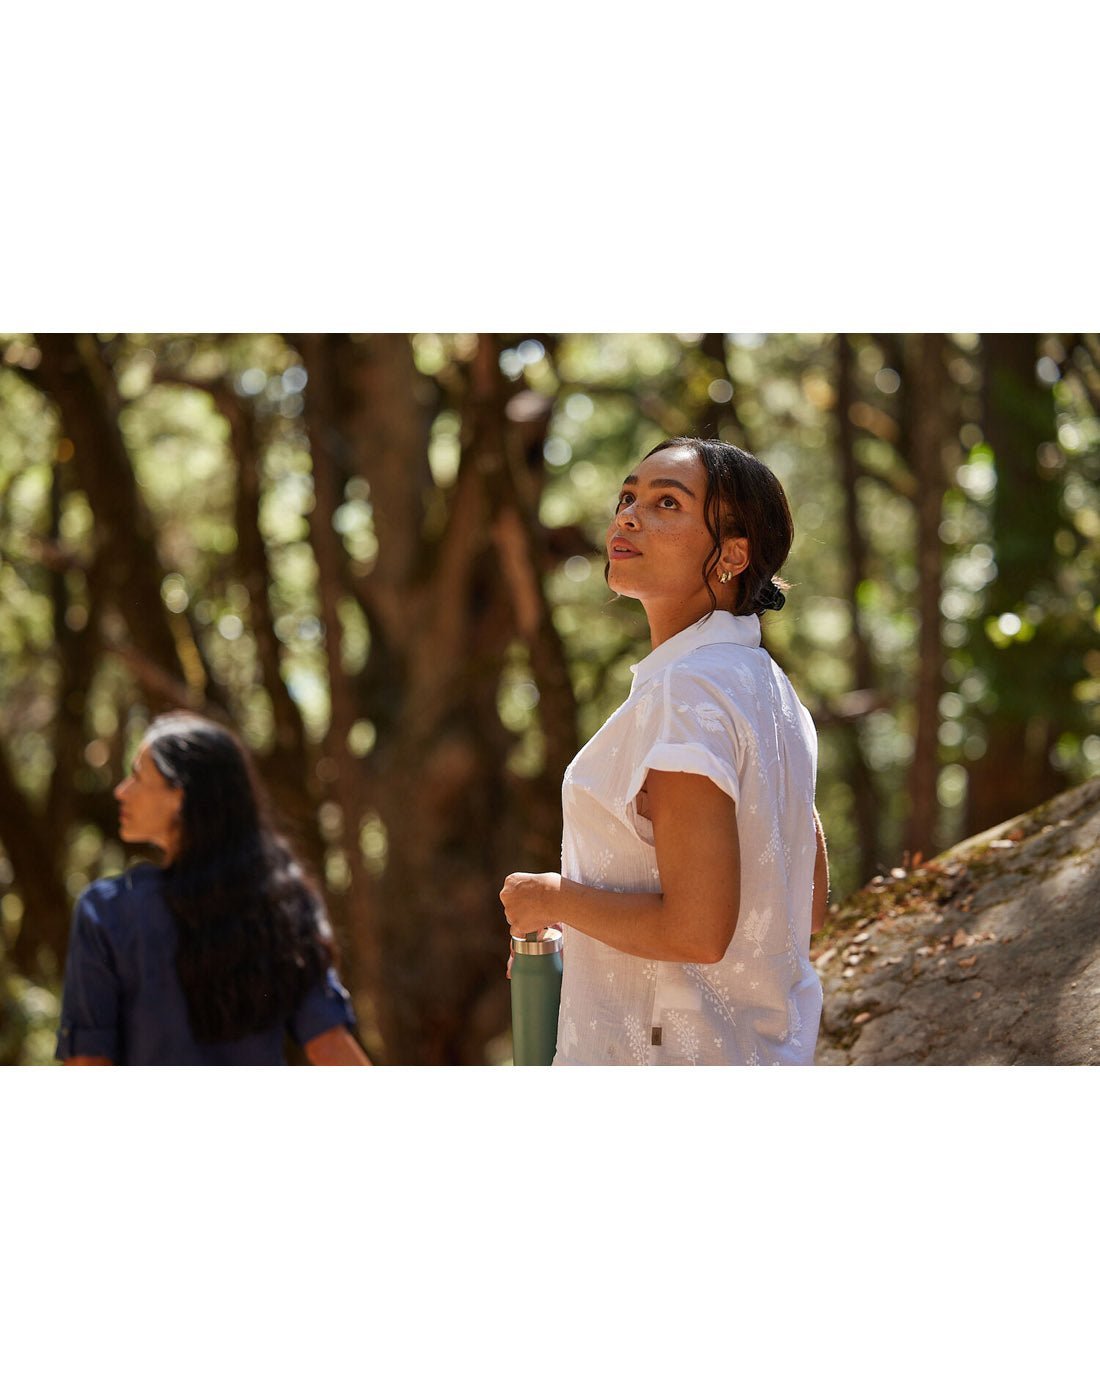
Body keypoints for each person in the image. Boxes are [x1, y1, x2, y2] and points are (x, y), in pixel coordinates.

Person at [500, 437, 828, 1065]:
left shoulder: (689, 692)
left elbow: (697, 932)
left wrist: (552, 899)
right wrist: (588, 928)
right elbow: (801, 908)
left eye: (667, 503)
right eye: (628, 496)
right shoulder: (771, 691)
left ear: (732, 554)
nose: (627, 515)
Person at [57, 711, 369, 1065]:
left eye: (137, 777)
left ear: (181, 796)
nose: (121, 791)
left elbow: (88, 1064)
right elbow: (331, 1047)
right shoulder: (283, 906)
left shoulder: (107, 911)